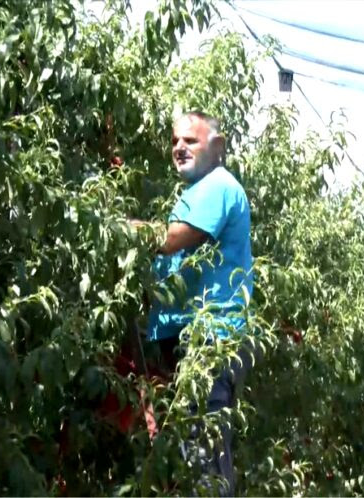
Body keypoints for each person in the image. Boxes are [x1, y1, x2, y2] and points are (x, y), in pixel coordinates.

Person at [135, 111, 254, 495]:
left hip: (209, 339)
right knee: (185, 453)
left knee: (204, 455)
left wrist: (116, 228)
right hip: (181, 338)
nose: (179, 148)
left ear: (217, 147)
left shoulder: (219, 185)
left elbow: (172, 240)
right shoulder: (191, 195)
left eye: (190, 141)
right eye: (174, 141)